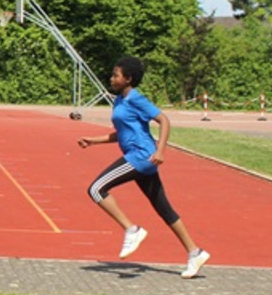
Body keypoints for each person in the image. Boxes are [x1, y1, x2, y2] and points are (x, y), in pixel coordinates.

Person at [77, 56, 211, 279]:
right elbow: (123, 133)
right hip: (138, 157)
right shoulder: (119, 100)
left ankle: (132, 229)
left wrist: (161, 151)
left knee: (96, 189)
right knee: (163, 208)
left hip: (141, 157)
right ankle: (195, 252)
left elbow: (164, 120)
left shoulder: (136, 99)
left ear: (128, 79)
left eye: (116, 75)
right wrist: (95, 141)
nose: (111, 78)